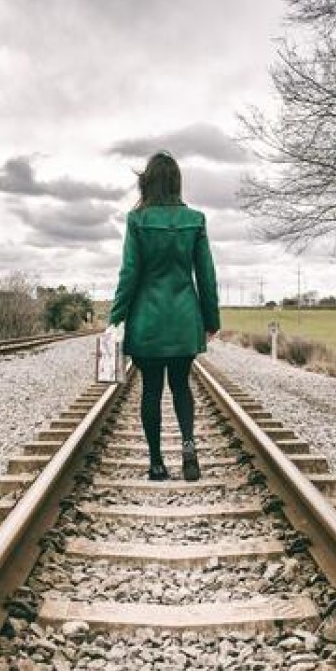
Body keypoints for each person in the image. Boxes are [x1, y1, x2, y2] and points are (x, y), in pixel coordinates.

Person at [108, 151, 220, 481]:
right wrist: (211, 319)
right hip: (184, 320)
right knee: (181, 386)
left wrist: (116, 318)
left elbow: (129, 274)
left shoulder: (137, 220)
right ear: (176, 183)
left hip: (147, 322)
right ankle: (188, 449)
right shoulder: (195, 219)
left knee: (151, 390)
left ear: (148, 182)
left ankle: (157, 463)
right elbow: (206, 275)